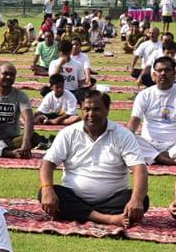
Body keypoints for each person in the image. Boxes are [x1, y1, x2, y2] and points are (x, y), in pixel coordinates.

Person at [40, 90, 148, 227]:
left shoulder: (123, 135)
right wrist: (47, 189)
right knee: (48, 193)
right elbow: (47, 163)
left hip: (112, 200)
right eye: (86, 109)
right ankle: (109, 219)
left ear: (107, 110)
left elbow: (139, 168)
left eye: (96, 109)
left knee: (141, 200)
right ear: (81, 110)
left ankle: (81, 214)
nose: (91, 114)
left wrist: (136, 200)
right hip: (74, 197)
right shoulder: (68, 133)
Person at [128, 56, 176, 165]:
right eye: (159, 71)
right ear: (154, 76)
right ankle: (161, 158)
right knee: (126, 137)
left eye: (167, 70)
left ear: (174, 73)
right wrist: (127, 135)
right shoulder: (144, 95)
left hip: (174, 145)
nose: (163, 73)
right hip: (149, 144)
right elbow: (134, 120)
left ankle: (161, 156)